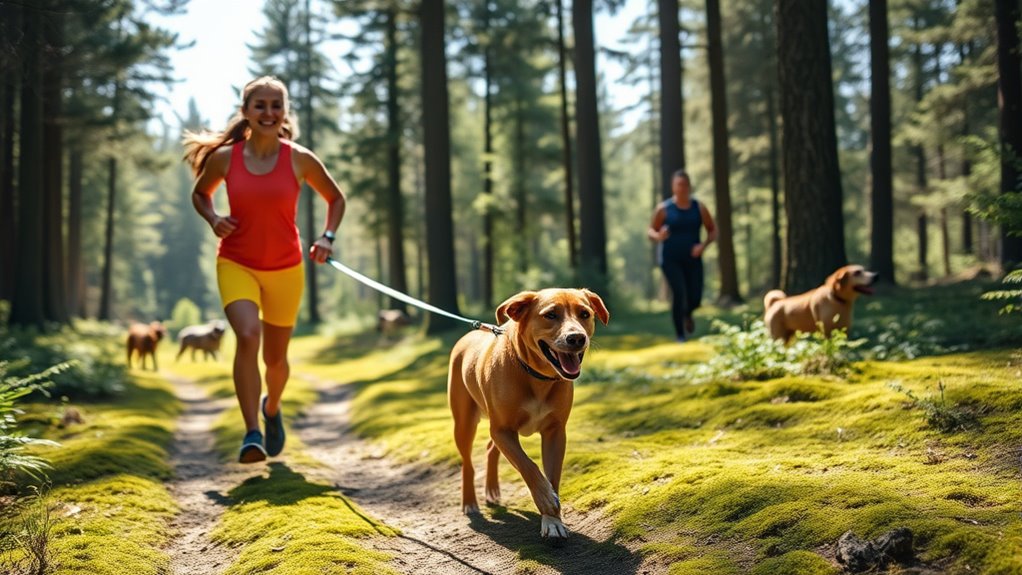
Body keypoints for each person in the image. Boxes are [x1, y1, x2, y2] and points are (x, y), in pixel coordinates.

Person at [183, 76, 346, 463]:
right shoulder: (226, 158)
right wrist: (213, 218)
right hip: (236, 261)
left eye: (276, 105)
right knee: (247, 335)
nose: (269, 112)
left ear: (284, 111)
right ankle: (251, 432)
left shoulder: (299, 158)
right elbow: (200, 194)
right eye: (260, 105)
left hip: (286, 269)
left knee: (276, 361)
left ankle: (271, 408)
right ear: (246, 112)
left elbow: (336, 198)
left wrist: (327, 237)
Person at [647, 169, 717, 342]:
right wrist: (659, 236)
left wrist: (703, 245)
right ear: (673, 187)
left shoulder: (698, 207)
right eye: (679, 185)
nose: (682, 188)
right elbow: (651, 231)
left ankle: (687, 313)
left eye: (685, 185)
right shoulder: (664, 209)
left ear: (689, 187)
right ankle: (680, 335)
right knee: (679, 293)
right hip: (670, 259)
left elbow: (712, 230)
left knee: (695, 297)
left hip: (693, 258)